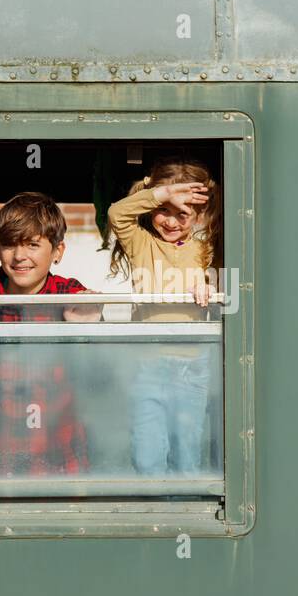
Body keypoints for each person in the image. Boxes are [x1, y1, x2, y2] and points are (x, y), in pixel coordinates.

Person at [0, 192, 99, 478]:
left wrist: (90, 331)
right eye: (9, 245)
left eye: (33, 245)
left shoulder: (71, 296)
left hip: (58, 454)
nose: (19, 256)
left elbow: (99, 383)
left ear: (58, 251)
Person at [107, 157, 220, 475]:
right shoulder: (140, 242)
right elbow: (117, 213)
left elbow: (222, 274)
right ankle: (155, 519)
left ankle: (184, 522)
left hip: (192, 365)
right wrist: (163, 191)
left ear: (198, 215)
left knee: (186, 456)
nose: (171, 221)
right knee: (147, 457)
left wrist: (208, 279)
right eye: (164, 210)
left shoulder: (204, 249)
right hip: (147, 366)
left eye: (182, 213)